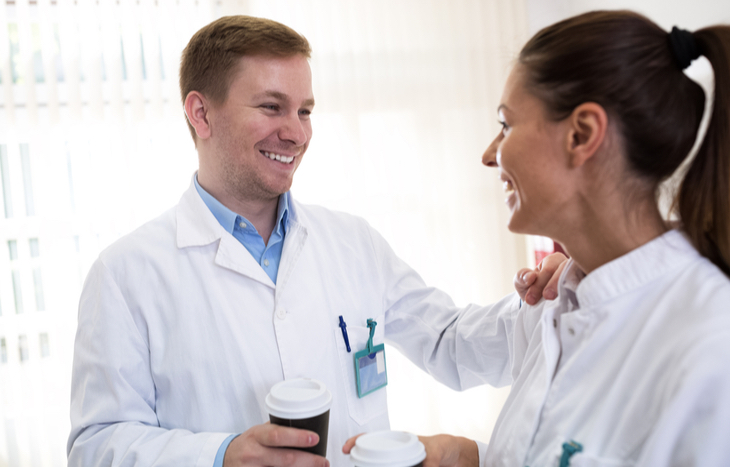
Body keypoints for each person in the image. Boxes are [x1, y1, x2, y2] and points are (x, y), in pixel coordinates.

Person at [66, 15, 565, 467]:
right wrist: (219, 456)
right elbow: (95, 445)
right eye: (271, 107)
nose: (296, 133)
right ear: (200, 114)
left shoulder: (351, 242)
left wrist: (548, 301)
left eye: (305, 111)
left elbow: (449, 343)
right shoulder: (127, 273)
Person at [345, 9, 730, 467]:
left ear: (581, 134)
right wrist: (471, 458)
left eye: (505, 124)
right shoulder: (558, 297)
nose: (490, 155)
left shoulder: (710, 346)